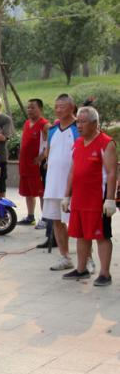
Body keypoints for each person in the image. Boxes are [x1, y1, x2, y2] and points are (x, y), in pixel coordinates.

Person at [61, 106, 116, 286]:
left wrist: (110, 199)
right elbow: (72, 171)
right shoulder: (77, 143)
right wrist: (66, 196)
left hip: (97, 200)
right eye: (78, 121)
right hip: (79, 199)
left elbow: (113, 172)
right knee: (80, 234)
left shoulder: (106, 143)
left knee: (101, 236)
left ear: (94, 123)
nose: (79, 125)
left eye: (83, 122)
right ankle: (82, 268)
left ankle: (105, 274)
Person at [42, 94, 80, 271]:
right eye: (56, 106)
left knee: (77, 222)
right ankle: (65, 256)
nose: (57, 110)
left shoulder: (78, 129)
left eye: (62, 107)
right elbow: (49, 154)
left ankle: (86, 258)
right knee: (57, 221)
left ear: (71, 107)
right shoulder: (52, 130)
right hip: (53, 183)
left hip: (73, 185)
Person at [18, 99, 49, 226]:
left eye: (33, 108)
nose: (30, 110)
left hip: (37, 166)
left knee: (41, 192)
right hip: (25, 164)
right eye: (28, 107)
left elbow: (51, 143)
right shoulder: (26, 123)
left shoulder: (45, 125)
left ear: (40, 109)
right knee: (28, 191)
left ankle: (46, 218)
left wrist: (42, 157)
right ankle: (30, 217)